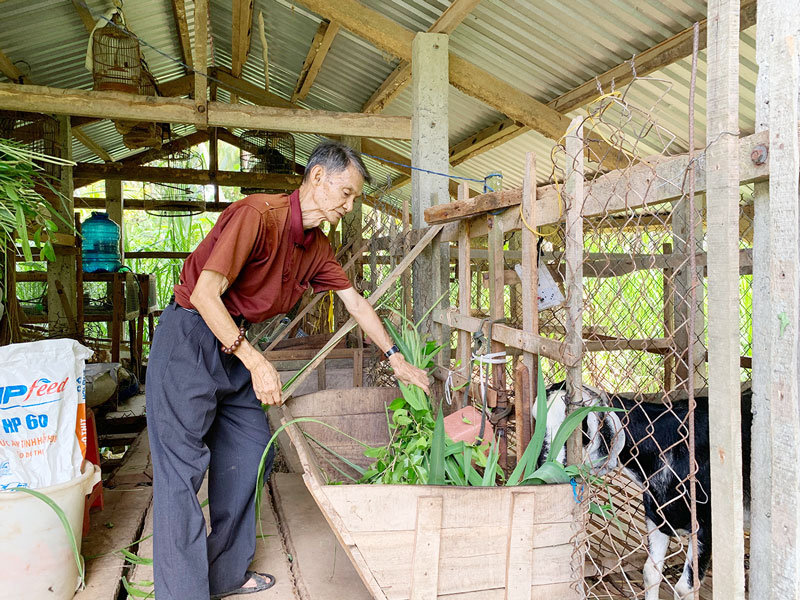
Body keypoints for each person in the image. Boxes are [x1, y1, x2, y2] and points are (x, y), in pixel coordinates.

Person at [146, 141, 430, 600]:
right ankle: (182, 593)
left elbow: (355, 303)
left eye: (354, 198)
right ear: (317, 177)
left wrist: (396, 357)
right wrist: (256, 361)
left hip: (232, 343)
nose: (349, 206)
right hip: (190, 338)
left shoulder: (316, 246)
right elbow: (204, 295)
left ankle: (223, 574)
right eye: (346, 193)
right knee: (181, 470)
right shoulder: (258, 216)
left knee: (251, 448)